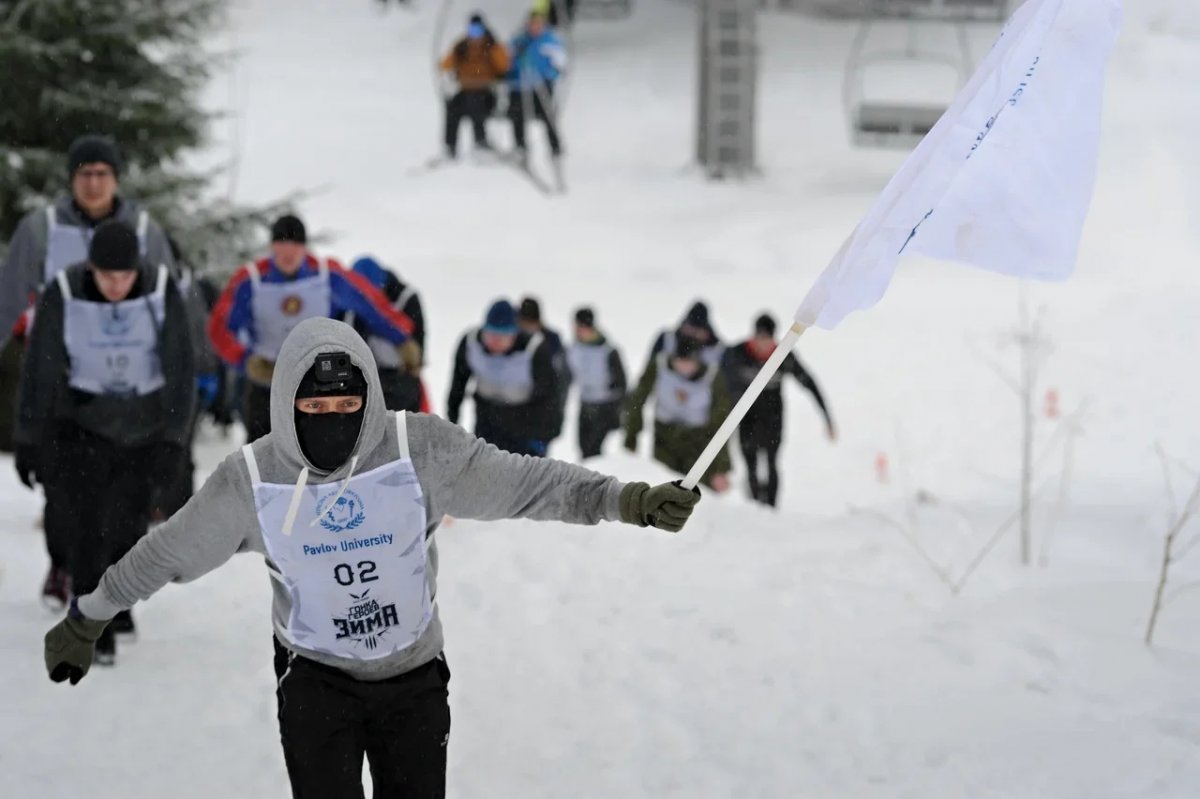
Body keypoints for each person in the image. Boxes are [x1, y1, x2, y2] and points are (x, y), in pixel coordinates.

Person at [43, 317, 701, 799]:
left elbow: (533, 484)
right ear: (288, 403)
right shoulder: (255, 478)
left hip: (412, 676)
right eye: (314, 405)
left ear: (370, 398)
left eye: (346, 403)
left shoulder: (419, 451)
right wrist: (90, 616)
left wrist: (628, 498)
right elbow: (166, 551)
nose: (332, 417)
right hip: (315, 677)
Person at [0, 135, 177, 607]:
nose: (94, 183)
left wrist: (184, 371)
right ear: (72, 179)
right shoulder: (41, 229)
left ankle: (114, 586)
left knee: (125, 500)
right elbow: (9, 295)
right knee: (62, 494)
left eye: (102, 174)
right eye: (85, 174)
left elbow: (173, 304)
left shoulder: (143, 230)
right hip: (59, 376)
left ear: (116, 179)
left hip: (132, 381)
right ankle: (64, 564)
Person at [17, 220, 194, 661]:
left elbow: (180, 365)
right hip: (81, 421)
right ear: (90, 268)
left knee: (128, 521)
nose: (116, 285)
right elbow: (40, 365)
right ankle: (91, 615)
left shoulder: (159, 290)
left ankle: (119, 602)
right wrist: (28, 436)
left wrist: (175, 439)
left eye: (125, 276)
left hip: (143, 424)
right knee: (86, 520)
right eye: (107, 276)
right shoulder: (64, 290)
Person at [207, 215, 419, 443]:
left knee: (320, 449)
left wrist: (402, 339)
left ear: (304, 247)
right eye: (281, 247)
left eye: (295, 247)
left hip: (318, 380)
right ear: (272, 247)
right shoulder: (251, 280)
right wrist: (245, 360)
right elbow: (219, 328)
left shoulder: (325, 275)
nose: (288, 255)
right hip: (267, 381)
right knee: (264, 452)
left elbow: (370, 305)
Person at [722, 313, 836, 507]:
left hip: (773, 418)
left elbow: (809, 384)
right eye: (759, 338)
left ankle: (772, 509)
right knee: (750, 463)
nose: (762, 344)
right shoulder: (737, 354)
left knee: (772, 461)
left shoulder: (783, 356)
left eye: (767, 339)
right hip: (746, 417)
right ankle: (754, 505)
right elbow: (716, 383)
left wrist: (827, 419)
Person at [447, 299, 560, 457]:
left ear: (515, 334)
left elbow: (551, 397)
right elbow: (458, 384)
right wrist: (452, 422)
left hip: (524, 424)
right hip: (486, 419)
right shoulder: (471, 343)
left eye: (502, 336)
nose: (495, 342)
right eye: (491, 334)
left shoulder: (535, 350)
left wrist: (543, 438)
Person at [625, 335, 732, 492]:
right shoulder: (659, 367)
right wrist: (631, 437)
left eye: (688, 363)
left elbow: (722, 422)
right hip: (664, 440)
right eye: (679, 362)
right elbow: (637, 400)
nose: (683, 368)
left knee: (696, 493)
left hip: (697, 443)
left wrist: (721, 467)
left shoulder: (712, 377)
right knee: (663, 489)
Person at [343, 255, 428, 413]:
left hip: (401, 377)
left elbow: (419, 345)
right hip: (367, 376)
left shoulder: (406, 299)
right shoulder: (351, 302)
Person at [439, 13, 510, 159]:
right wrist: (455, 54)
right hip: (465, 90)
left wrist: (493, 47)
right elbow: (445, 65)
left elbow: (504, 66)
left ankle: (480, 140)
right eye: (472, 30)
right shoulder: (461, 47)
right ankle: (450, 146)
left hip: (486, 92)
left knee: (475, 102)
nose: (474, 34)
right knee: (452, 108)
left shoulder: (491, 46)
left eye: (478, 30)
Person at [507, 11, 568, 165]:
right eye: (532, 23)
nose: (535, 27)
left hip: (541, 84)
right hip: (520, 84)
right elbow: (507, 62)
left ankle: (555, 147)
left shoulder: (550, 41)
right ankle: (520, 146)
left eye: (538, 23)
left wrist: (550, 74)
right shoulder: (518, 40)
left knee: (546, 114)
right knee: (517, 114)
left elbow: (560, 63)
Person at [568, 307, 626, 459]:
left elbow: (621, 384)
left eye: (581, 327)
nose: (578, 331)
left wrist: (616, 411)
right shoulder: (574, 348)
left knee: (594, 450)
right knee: (583, 447)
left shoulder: (608, 350)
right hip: (585, 403)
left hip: (604, 407)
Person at [517, 296, 570, 442]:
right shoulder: (512, 340)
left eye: (531, 322)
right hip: (516, 416)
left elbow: (562, 381)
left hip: (545, 416)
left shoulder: (552, 341)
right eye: (523, 322)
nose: (527, 327)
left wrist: (558, 414)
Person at [645, 301, 725, 369]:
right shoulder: (667, 340)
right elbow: (650, 368)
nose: (692, 335)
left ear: (706, 333)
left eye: (696, 332)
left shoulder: (716, 352)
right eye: (690, 329)